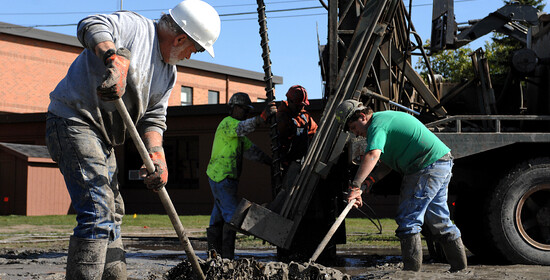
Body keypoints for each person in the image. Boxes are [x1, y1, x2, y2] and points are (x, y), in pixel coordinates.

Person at [44, 1, 220, 279]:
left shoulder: (168, 73)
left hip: (103, 137)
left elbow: (153, 119)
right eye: (194, 50)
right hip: (74, 120)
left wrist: (156, 154)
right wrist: (113, 57)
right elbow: (90, 24)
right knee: (97, 211)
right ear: (181, 38)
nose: (190, 56)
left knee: (112, 213)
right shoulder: (136, 28)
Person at [335, 99, 467, 272]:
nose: (356, 134)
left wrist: (355, 185)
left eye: (353, 128)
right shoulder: (384, 122)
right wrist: (367, 183)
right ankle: (460, 269)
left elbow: (373, 155)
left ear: (362, 117)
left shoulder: (376, 125)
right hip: (439, 163)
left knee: (408, 219)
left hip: (426, 166)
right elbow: (386, 165)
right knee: (438, 220)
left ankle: (411, 273)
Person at [206, 92, 276, 259]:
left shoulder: (237, 134)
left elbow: (252, 151)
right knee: (231, 217)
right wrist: (262, 118)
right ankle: (227, 258)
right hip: (221, 177)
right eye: (245, 110)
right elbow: (243, 127)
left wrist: (271, 162)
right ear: (235, 108)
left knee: (217, 218)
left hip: (223, 179)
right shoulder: (228, 124)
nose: (247, 113)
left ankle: (214, 256)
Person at [276, 85, 318, 175]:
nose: (301, 108)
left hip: (302, 163)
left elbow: (317, 134)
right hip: (286, 166)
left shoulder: (305, 117)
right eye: (298, 105)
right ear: (289, 101)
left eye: (303, 105)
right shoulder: (281, 118)